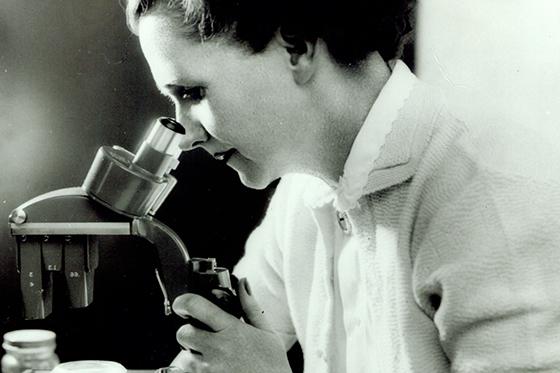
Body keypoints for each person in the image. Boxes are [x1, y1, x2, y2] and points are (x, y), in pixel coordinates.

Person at [126, 0, 560, 372]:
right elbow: (237, 338)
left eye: (193, 92)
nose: (183, 134)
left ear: (296, 47)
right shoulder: (305, 184)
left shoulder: (488, 202)